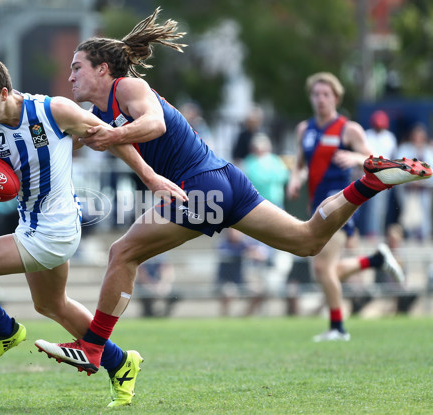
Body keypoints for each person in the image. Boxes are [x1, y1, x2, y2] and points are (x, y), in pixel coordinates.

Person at [34, 7, 431, 367]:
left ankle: (94, 346)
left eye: (77, 67)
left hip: (201, 186)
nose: (70, 76)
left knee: (122, 253)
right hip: (224, 180)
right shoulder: (101, 111)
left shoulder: (128, 88)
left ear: (103, 69)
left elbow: (152, 126)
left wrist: (111, 139)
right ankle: (370, 183)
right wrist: (149, 175)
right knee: (307, 240)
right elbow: (121, 142)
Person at [0, 53, 186, 407]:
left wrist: (150, 177)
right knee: (51, 305)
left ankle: (2, 330)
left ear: (4, 92)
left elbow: (110, 137)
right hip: (31, 223)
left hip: (55, 228)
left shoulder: (53, 111)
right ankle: (121, 364)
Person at [286, 72, 416, 341]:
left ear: (336, 97)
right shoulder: (304, 129)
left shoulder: (349, 129)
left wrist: (355, 156)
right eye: (316, 94)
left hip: (341, 203)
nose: (320, 99)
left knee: (322, 269)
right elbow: (300, 165)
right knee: (325, 270)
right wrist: (295, 180)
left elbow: (374, 160)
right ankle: (376, 259)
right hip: (316, 206)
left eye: (326, 94)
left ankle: (338, 328)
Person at [357, 110, 398, 239]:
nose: (378, 127)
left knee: (379, 208)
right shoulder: (367, 135)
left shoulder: (390, 137)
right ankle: (357, 233)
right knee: (357, 203)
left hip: (385, 174)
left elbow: (393, 158)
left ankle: (375, 233)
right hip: (367, 173)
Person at [395, 124, 433, 241]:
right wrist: (410, 180)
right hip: (408, 189)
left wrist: (423, 182)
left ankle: (423, 238)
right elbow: (398, 167)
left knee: (424, 217)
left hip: (424, 189)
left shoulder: (429, 151)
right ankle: (409, 239)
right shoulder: (404, 149)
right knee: (409, 218)